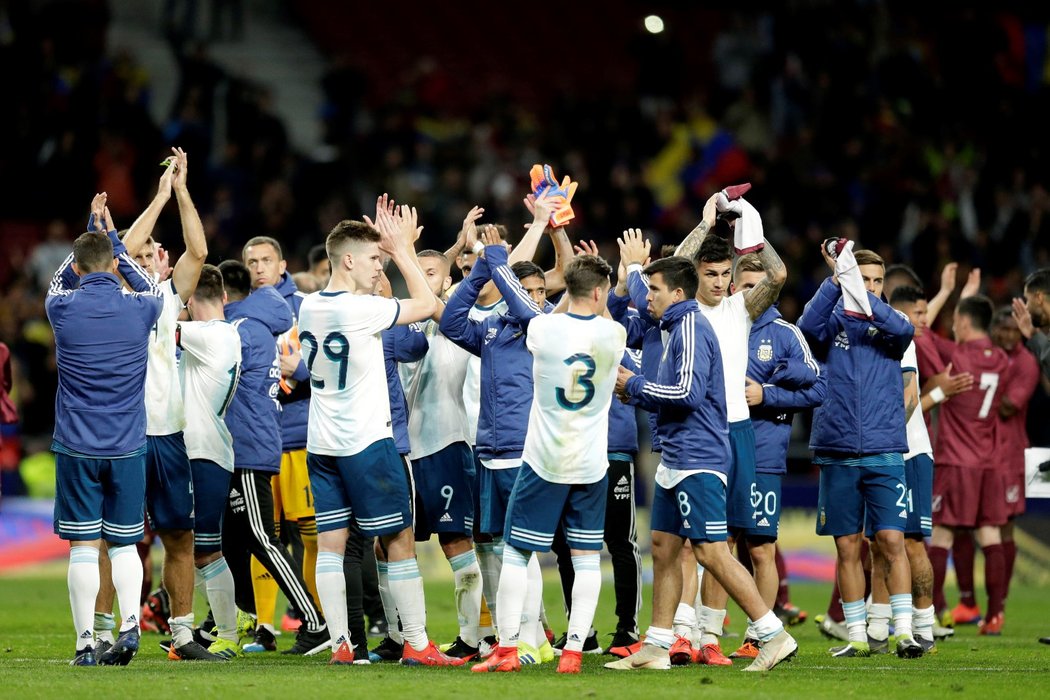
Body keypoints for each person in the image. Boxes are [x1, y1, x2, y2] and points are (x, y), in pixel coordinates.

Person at [606, 256, 796, 673]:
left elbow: (688, 393)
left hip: (699, 454)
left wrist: (634, 386)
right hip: (676, 454)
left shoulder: (691, 326)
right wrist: (635, 267)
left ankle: (772, 633)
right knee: (664, 547)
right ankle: (657, 645)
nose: (646, 297)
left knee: (711, 551)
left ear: (676, 294)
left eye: (653, 290)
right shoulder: (673, 325)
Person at [299, 202, 460, 666]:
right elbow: (430, 305)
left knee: (331, 543)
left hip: (322, 442)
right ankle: (416, 643)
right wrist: (404, 248)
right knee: (399, 540)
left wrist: (388, 252)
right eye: (374, 259)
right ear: (348, 259)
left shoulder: (309, 306)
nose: (379, 267)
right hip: (367, 441)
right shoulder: (362, 309)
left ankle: (342, 645)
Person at [640, 190, 786, 663]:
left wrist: (750, 226)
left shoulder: (740, 308)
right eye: (712, 274)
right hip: (691, 429)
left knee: (721, 542)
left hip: (732, 431)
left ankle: (709, 637)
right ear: (694, 279)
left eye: (727, 274)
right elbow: (669, 270)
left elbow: (779, 274)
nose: (721, 283)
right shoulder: (680, 311)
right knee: (680, 543)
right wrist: (706, 222)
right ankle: (675, 634)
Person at [473, 254, 627, 674]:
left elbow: (517, 297)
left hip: (543, 461)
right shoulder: (614, 335)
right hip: (592, 464)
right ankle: (573, 652)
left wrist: (495, 256)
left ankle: (507, 650)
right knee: (587, 559)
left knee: (518, 555)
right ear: (599, 292)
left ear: (568, 290)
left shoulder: (543, 329)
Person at [101, 148, 216, 661]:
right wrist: (160, 195)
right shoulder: (112, 295)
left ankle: (184, 634)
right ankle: (105, 630)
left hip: (168, 431)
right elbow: (121, 247)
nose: (144, 259)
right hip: (124, 434)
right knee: (116, 541)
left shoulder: (170, 296)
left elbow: (199, 249)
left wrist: (184, 192)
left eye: (151, 254)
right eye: (137, 255)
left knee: (180, 535)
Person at [440, 226, 562, 663]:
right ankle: (531, 639)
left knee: (520, 548)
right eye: (525, 288)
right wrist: (481, 274)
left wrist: (500, 265)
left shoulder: (544, 327)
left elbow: (528, 313)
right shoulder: (493, 328)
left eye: (540, 290)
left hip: (525, 451)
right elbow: (452, 322)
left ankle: (530, 638)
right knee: (499, 546)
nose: (534, 297)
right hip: (489, 450)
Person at [46, 212, 162, 666]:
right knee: (124, 543)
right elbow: (149, 285)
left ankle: (85, 644)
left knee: (82, 547)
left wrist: (94, 235)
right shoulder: (142, 307)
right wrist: (116, 242)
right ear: (114, 265)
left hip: (76, 443)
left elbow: (62, 278)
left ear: (76, 267)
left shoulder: (61, 306)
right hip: (128, 443)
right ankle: (130, 626)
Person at [797, 243, 922, 658]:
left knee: (891, 540)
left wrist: (861, 294)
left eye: (876, 280)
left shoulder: (893, 322)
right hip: (837, 447)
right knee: (847, 546)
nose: (869, 286)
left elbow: (905, 333)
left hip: (885, 448)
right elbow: (805, 326)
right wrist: (836, 281)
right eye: (862, 277)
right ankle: (856, 636)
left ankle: (903, 632)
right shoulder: (831, 321)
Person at [219, 260, 330, 655]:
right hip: (253, 444)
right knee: (232, 540)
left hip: (248, 448)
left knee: (265, 538)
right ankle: (228, 622)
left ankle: (316, 621)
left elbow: (226, 390)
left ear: (222, 296)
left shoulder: (240, 331)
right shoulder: (258, 325)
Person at [728, 254, 824, 658]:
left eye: (760, 286)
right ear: (734, 289)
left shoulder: (785, 333)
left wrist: (767, 395)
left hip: (764, 453)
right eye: (747, 286)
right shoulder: (719, 325)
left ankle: (759, 636)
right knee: (719, 544)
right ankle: (704, 633)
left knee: (761, 548)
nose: (754, 293)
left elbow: (818, 388)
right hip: (719, 452)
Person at [398, 248, 485, 661]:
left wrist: (405, 254)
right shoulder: (397, 323)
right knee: (393, 545)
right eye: (419, 272)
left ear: (445, 281)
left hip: (446, 444)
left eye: (431, 272)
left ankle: (473, 636)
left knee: (456, 541)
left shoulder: (457, 324)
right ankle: (405, 636)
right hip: (401, 448)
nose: (424, 277)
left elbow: (434, 304)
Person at [242, 235, 318, 648]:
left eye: (266, 259)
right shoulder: (238, 311)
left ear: (283, 264)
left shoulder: (305, 307)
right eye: (251, 261)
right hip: (257, 438)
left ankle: (317, 621)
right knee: (263, 536)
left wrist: (301, 369)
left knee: (311, 534)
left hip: (299, 435)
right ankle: (264, 627)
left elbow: (332, 357)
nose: (258, 267)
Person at [928, 295, 1014, 636]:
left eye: (955, 321)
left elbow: (918, 331)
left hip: (955, 461)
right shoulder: (1003, 360)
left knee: (941, 535)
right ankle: (994, 616)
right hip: (989, 461)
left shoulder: (956, 354)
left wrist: (948, 291)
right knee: (990, 533)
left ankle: (931, 611)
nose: (952, 327)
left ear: (963, 323)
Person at [174, 264, 243, 659]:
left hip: (203, 452)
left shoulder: (209, 333)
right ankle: (221, 624)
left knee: (204, 550)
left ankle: (229, 633)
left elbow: (160, 323)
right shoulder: (222, 334)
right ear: (226, 298)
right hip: (207, 449)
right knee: (199, 548)